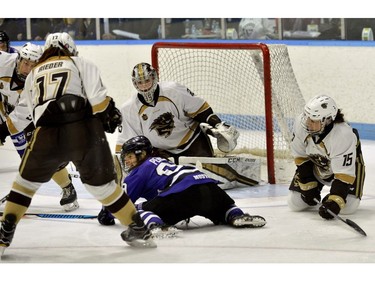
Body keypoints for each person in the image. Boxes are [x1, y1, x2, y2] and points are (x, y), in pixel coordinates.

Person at [0, 32, 156, 256]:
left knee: (24, 184)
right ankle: (138, 229)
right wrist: (109, 116)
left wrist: (2, 130)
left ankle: (5, 232)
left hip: (47, 132)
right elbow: (99, 101)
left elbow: (20, 117)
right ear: (70, 49)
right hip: (84, 129)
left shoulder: (34, 72)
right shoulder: (81, 62)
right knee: (103, 187)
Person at [98, 135, 267, 233]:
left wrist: (105, 214)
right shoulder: (161, 161)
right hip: (207, 185)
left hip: (182, 194)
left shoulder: (137, 173)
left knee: (138, 210)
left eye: (130, 156)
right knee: (222, 209)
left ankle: (157, 226)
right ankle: (235, 215)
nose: (127, 161)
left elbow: (122, 205)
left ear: (141, 154)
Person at [0, 41, 79, 212]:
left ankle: (67, 187)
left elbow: (20, 118)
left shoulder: (39, 83)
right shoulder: (3, 61)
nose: (27, 69)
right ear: (18, 59)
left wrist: (2, 130)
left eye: (32, 65)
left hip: (34, 118)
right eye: (25, 63)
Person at [117, 62, 240, 162]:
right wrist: (120, 162)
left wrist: (218, 124)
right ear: (135, 83)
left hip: (192, 143)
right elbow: (125, 141)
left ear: (154, 77)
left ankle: (205, 129)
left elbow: (200, 109)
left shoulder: (173, 90)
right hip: (160, 152)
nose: (144, 86)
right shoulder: (129, 108)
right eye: (140, 82)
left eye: (147, 80)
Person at [287, 95, 365, 220]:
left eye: (313, 120)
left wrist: (334, 201)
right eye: (307, 118)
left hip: (347, 170)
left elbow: (344, 174)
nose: (307, 123)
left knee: (347, 208)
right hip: (317, 165)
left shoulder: (343, 135)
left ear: (327, 120)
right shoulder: (301, 124)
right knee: (295, 203)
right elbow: (301, 157)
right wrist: (308, 183)